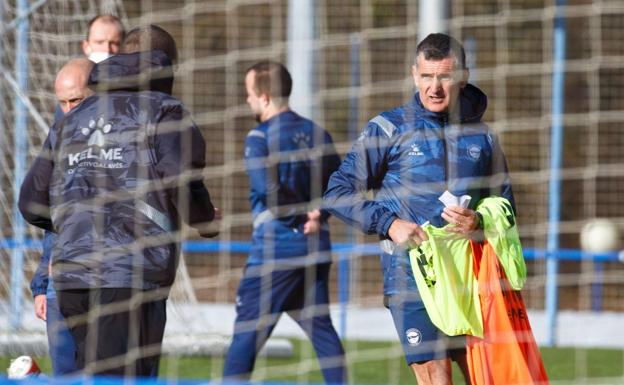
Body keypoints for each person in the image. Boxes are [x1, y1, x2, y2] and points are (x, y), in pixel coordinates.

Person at [19, 25, 218, 377]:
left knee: (93, 375)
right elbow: (179, 182)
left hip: (71, 280)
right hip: (128, 275)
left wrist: (73, 224)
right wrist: (205, 221)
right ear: (167, 65)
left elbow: (31, 200)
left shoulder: (73, 117)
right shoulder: (163, 111)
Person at [323, 33, 516, 385]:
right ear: (414, 74)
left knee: (485, 378)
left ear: (463, 77)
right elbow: (337, 191)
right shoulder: (388, 128)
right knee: (437, 378)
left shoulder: (483, 138)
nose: (435, 87)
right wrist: (389, 223)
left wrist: (479, 219)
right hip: (410, 276)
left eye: (444, 77)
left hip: (467, 281)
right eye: (427, 76)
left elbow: (505, 204)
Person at [222, 61, 347, 384]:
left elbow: (269, 192)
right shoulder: (318, 133)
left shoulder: (259, 137)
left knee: (246, 333)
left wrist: (299, 216)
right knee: (322, 332)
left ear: (263, 97)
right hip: (315, 246)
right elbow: (342, 185)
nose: (247, 101)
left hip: (276, 251)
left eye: (249, 94)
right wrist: (321, 215)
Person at [28, 15, 124, 374]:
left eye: (115, 44)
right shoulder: (61, 134)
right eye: (101, 43)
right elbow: (48, 207)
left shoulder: (131, 125)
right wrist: (43, 281)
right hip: (64, 274)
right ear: (86, 46)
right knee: (66, 370)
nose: (107, 51)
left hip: (111, 276)